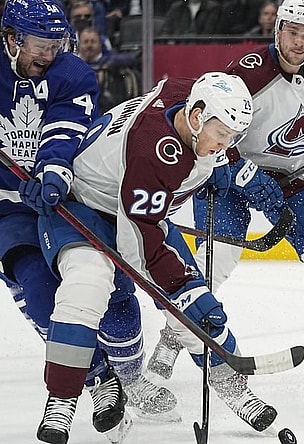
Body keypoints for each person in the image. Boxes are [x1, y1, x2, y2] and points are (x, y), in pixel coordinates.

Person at [17, 70, 282, 438]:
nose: (226, 143)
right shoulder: (154, 153)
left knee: (193, 305)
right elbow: (138, 247)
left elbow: (146, 216)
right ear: (196, 116)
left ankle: (234, 388)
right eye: (222, 135)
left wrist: (225, 162)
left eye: (233, 137)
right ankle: (62, 399)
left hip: (139, 210)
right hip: (83, 208)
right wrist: (183, 289)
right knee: (86, 287)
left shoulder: (187, 96)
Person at [146, 0, 304, 381]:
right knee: (215, 265)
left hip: (290, 179)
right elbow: (211, 129)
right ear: (277, 30)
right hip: (229, 174)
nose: (298, 41)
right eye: (292, 31)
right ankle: (167, 347)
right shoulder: (250, 74)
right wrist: (240, 172)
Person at [0, 1, 175, 442]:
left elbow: (65, 127)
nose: (50, 54)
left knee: (113, 293)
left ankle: (132, 376)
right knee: (39, 290)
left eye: (57, 44)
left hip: (70, 197)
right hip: (7, 208)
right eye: (41, 45)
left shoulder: (73, 72)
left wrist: (53, 171)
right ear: (12, 38)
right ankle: (101, 379)